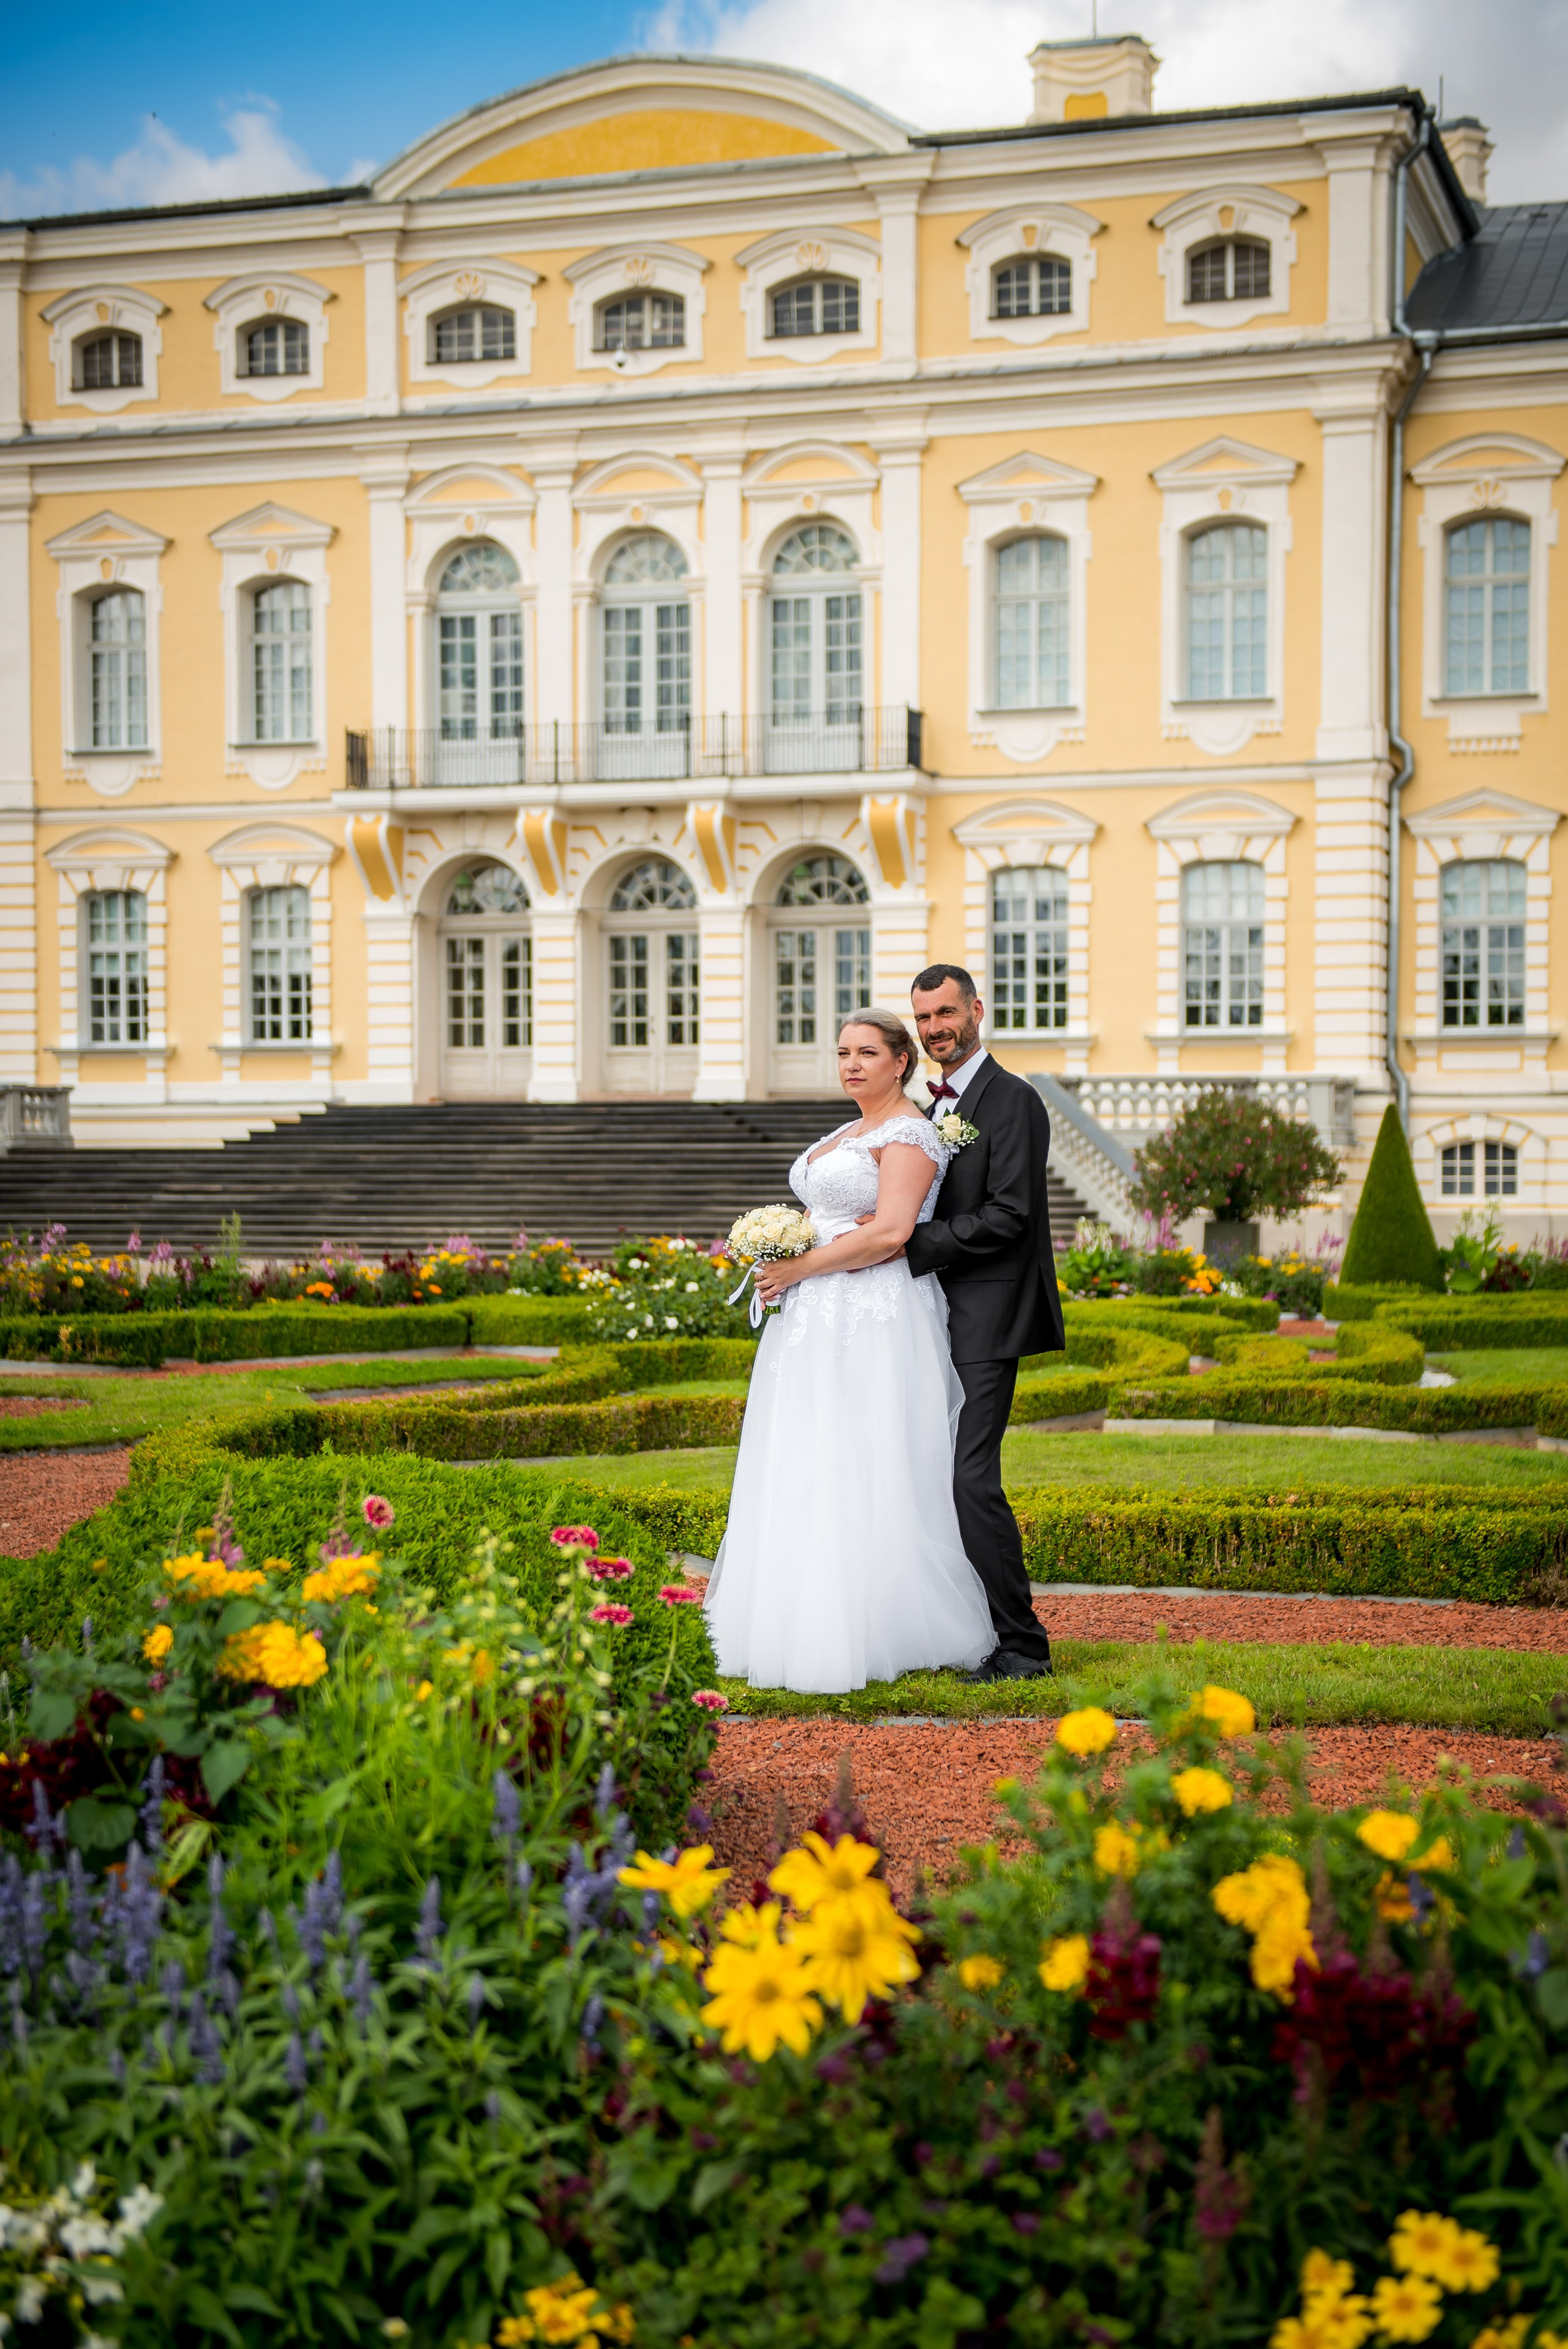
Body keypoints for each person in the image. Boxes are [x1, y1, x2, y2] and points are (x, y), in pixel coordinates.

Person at [703, 1006, 995, 1695]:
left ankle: (879, 1622)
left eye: (867, 1052)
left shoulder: (910, 1133)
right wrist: (781, 1255)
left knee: (863, 1453)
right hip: (813, 1310)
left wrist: (798, 1268)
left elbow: (891, 1232)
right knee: (804, 1452)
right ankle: (784, 1616)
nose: (851, 1064)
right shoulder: (845, 1132)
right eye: (842, 1053)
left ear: (901, 1061)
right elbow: (828, 1218)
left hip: (873, 1310)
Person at [903, 963, 1063, 1683]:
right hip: (934, 1315)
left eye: (945, 1013)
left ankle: (1023, 1645)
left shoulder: (1013, 1101)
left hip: (989, 1314)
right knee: (931, 1476)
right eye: (924, 1019)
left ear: (976, 1010)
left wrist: (907, 1241)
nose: (935, 1028)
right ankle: (960, 1626)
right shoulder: (928, 1107)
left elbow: (1010, 1215)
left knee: (971, 1480)